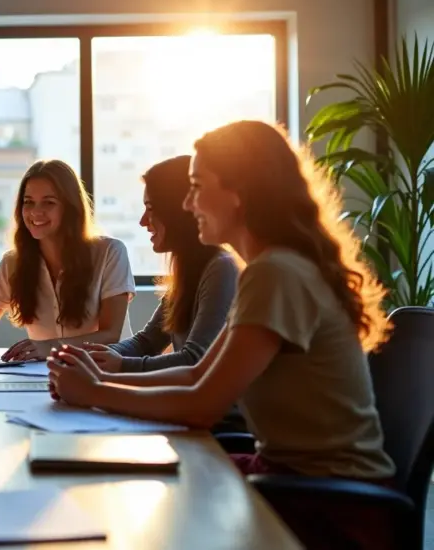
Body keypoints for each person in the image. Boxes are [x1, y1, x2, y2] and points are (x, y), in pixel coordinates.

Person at [48, 121, 395, 549]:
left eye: (196, 186)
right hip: (293, 482)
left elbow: (202, 405)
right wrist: (99, 383)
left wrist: (95, 392)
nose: (188, 203)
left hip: (335, 511)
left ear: (240, 193)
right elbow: (196, 376)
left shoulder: (276, 272)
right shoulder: (267, 269)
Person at [0, 159, 135, 361]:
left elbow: (111, 334)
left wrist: (50, 348)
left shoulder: (110, 252)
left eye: (49, 202)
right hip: (44, 378)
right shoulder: (12, 263)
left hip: (108, 375)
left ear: (70, 207)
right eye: (28, 202)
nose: (35, 212)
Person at [84, 155, 239, 373]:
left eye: (150, 208)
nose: (143, 221)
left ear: (176, 210)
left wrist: (121, 365)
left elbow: (196, 359)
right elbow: (146, 342)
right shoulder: (188, 271)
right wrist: (90, 356)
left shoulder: (221, 268)